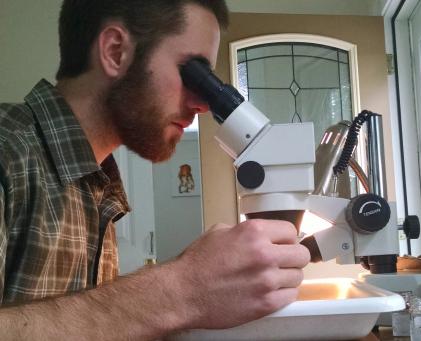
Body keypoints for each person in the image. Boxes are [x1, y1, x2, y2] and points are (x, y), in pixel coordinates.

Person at [0, 1, 310, 340]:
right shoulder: (8, 153)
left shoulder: (93, 183)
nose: (204, 105)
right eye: (194, 74)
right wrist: (182, 289)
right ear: (116, 51)